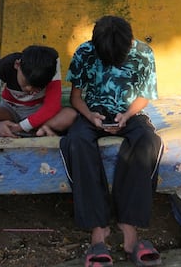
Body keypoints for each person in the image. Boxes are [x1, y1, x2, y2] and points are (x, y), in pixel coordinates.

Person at [59, 16, 163, 267]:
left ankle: (129, 230)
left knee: (148, 141)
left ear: (129, 44)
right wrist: (90, 116)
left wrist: (127, 115)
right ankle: (98, 229)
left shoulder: (144, 54)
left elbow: (144, 97)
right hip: (91, 113)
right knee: (76, 142)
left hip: (129, 114)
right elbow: (76, 98)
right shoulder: (85, 52)